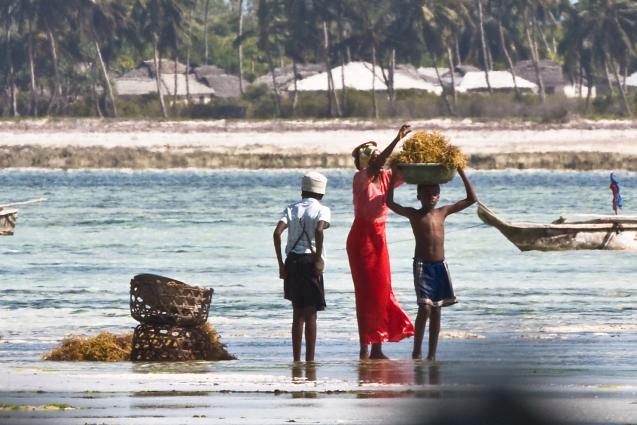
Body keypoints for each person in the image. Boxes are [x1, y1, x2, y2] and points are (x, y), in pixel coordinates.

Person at [386, 167, 477, 361]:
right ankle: (417, 351)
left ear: (439, 196)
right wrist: (394, 174)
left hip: (440, 266)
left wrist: (460, 171)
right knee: (425, 307)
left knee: (437, 309)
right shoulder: (413, 214)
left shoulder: (442, 212)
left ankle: (432, 355)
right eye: (426, 194)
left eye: (435, 193)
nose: (431, 197)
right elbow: (390, 202)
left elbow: (471, 199)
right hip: (422, 266)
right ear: (418, 196)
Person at [346, 124, 415, 360]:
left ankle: (377, 347)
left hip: (379, 237)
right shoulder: (360, 179)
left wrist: (412, 149)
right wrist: (396, 139)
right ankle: (366, 347)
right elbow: (376, 165)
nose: (380, 160)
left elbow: (408, 171)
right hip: (362, 239)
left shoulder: (386, 177)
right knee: (366, 294)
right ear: (365, 163)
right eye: (374, 157)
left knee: (383, 290)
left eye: (380, 156)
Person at [273, 171, 331, 362]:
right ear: (321, 193)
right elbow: (320, 229)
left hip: (292, 261)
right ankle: (310, 360)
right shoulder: (322, 210)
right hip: (309, 262)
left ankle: (297, 360)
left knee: (297, 313)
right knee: (311, 315)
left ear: (302, 191)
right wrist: (319, 259)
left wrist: (281, 264)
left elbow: (277, 233)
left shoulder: (291, 209)